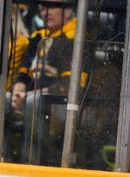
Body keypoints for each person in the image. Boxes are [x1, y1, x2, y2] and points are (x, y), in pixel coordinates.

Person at [10, 0, 81, 165]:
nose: (46, 12)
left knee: (31, 103)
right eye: (44, 7)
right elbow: (25, 67)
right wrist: (18, 87)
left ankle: (33, 163)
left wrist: (26, 94)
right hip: (32, 94)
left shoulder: (74, 37)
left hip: (63, 103)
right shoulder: (39, 36)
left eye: (53, 7)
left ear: (69, 11)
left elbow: (68, 87)